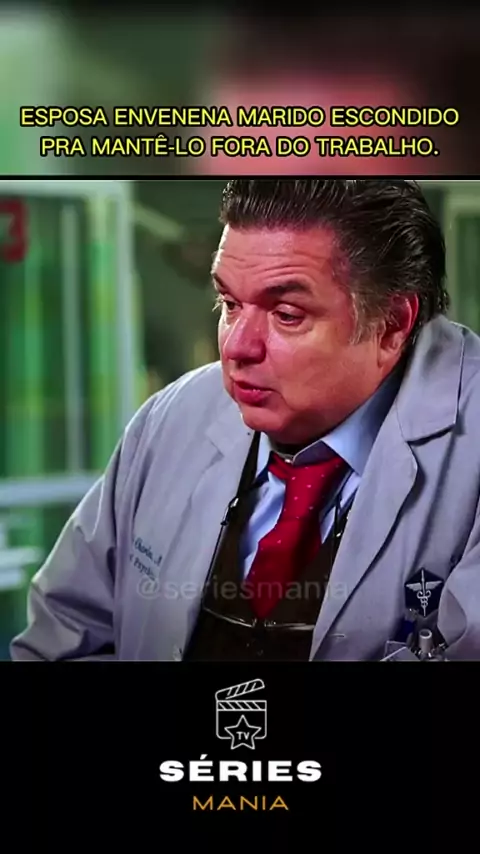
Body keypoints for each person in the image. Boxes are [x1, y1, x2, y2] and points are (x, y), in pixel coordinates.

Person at [10, 178, 480, 662]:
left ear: (391, 325)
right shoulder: (171, 418)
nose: (236, 347)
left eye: (287, 314)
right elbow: (62, 639)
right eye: (230, 305)